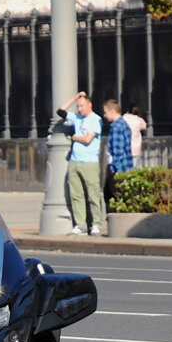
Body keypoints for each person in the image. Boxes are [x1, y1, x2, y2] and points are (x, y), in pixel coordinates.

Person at [57, 91, 103, 236]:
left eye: (82, 106)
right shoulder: (76, 117)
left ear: (90, 105)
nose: (79, 109)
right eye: (78, 106)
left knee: (93, 195)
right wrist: (75, 97)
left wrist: (75, 137)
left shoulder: (96, 119)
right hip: (75, 161)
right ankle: (80, 225)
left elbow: (88, 139)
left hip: (90, 162)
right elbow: (61, 111)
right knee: (76, 195)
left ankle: (96, 224)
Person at [102, 98, 133, 210]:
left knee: (110, 197)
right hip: (125, 166)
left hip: (117, 168)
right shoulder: (124, 124)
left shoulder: (116, 126)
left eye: (105, 112)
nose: (104, 116)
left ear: (112, 111)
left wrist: (115, 169)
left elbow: (117, 151)